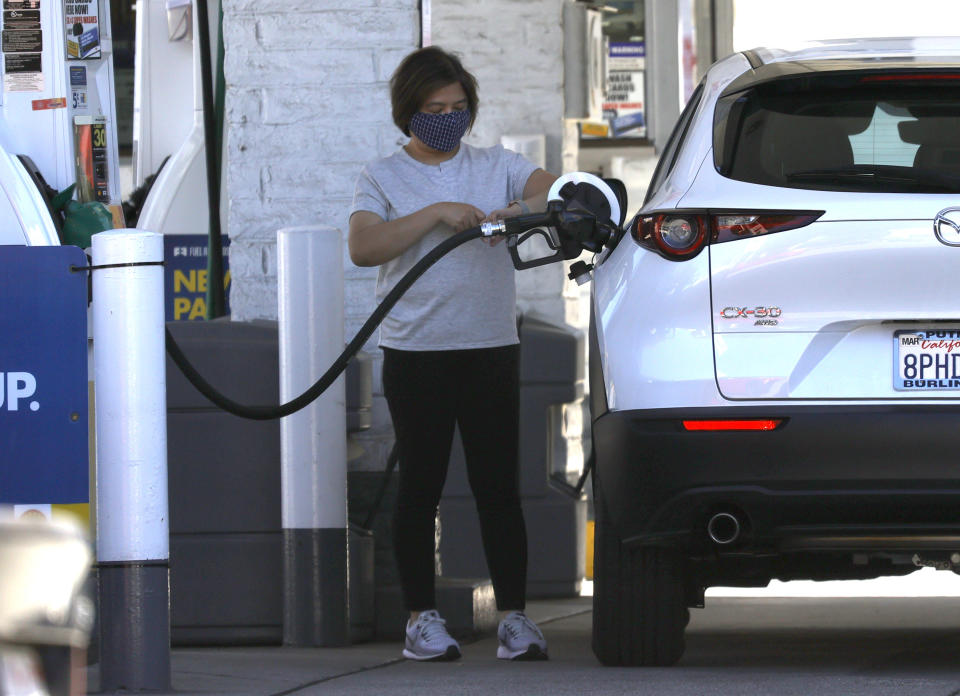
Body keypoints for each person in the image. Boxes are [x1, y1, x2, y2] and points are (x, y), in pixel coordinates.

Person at [348, 46, 557, 662]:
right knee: (422, 485)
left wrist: (521, 207)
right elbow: (363, 246)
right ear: (408, 111)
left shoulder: (497, 164)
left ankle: (516, 621)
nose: (448, 117)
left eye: (458, 107)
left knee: (499, 487)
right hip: (418, 352)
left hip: (491, 347)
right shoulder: (382, 176)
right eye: (434, 108)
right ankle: (421, 619)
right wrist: (436, 213)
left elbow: (555, 191)